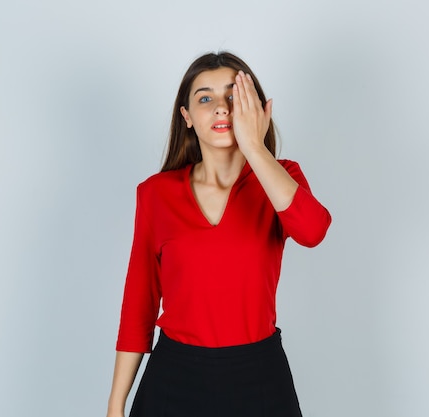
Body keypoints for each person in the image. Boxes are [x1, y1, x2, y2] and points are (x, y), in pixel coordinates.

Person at [106, 51, 331, 417]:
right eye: (205, 98)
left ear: (255, 109)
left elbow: (313, 230)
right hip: (173, 378)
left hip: (259, 376)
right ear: (187, 117)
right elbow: (138, 306)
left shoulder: (281, 179)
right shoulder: (155, 194)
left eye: (233, 97)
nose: (221, 108)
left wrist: (255, 148)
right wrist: (116, 404)